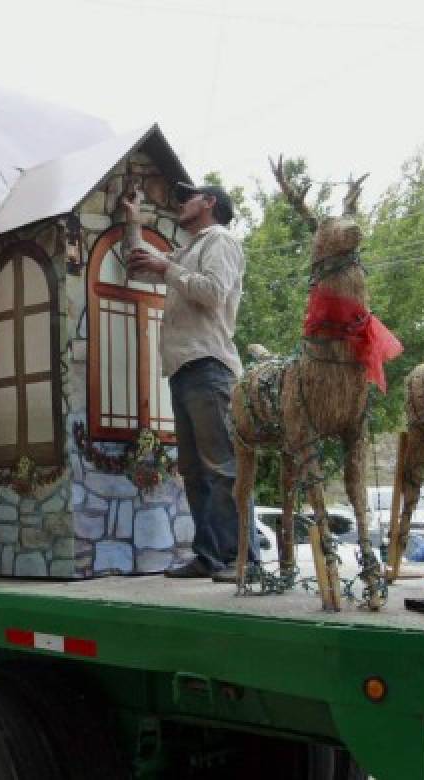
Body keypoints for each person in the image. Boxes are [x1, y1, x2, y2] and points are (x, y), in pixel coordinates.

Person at [125, 183, 258, 581]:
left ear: (210, 203)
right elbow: (137, 263)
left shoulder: (220, 241)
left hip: (210, 365)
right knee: (197, 472)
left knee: (222, 468)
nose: (182, 202)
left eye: (190, 197)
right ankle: (209, 556)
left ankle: (243, 561)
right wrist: (133, 224)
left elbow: (214, 292)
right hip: (185, 369)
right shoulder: (190, 250)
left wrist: (167, 269)